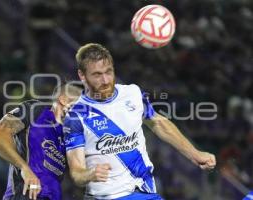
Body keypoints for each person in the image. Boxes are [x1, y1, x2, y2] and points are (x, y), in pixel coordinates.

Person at [63, 43, 217, 200]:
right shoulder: (76, 116)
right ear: (82, 75)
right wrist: (90, 174)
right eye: (97, 75)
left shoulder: (132, 93)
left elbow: (159, 123)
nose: (105, 80)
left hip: (144, 191)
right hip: (107, 196)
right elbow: (77, 173)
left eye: (109, 72)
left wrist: (195, 154)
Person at [0, 83, 82, 200]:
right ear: (63, 100)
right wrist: (24, 168)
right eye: (80, 105)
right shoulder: (35, 110)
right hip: (24, 194)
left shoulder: (72, 134)